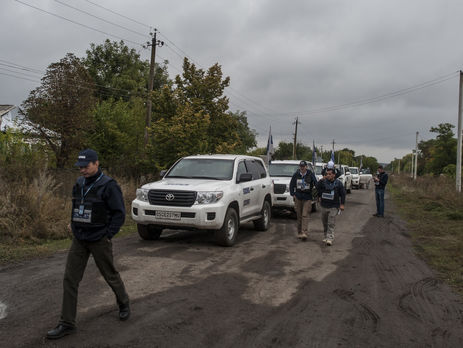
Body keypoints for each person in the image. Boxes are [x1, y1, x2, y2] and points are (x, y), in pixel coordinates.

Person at [47, 149, 130, 339]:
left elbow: (119, 213)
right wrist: (74, 223)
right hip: (79, 238)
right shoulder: (79, 183)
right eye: (80, 167)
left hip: (99, 239)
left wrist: (108, 235)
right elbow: (76, 205)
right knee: (70, 279)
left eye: (86, 167)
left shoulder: (109, 185)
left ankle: (124, 302)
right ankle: (67, 323)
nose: (82, 170)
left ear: (96, 164)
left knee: (109, 274)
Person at [316, 167, 345, 246]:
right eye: (327, 174)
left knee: (331, 222)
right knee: (324, 222)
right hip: (324, 205)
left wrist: (342, 204)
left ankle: (330, 238)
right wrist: (321, 179)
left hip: (334, 206)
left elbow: (343, 194)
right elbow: (317, 188)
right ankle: (325, 236)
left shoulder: (338, 183)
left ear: (334, 175)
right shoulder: (323, 182)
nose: (328, 175)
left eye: (330, 174)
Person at [289, 160, 318, 240]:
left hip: (307, 197)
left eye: (303, 166)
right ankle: (299, 232)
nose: (302, 168)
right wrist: (293, 194)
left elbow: (316, 184)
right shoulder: (296, 175)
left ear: (306, 167)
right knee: (299, 215)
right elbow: (291, 185)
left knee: (305, 215)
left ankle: (304, 232)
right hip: (298, 197)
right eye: (301, 166)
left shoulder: (310, 174)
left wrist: (315, 193)